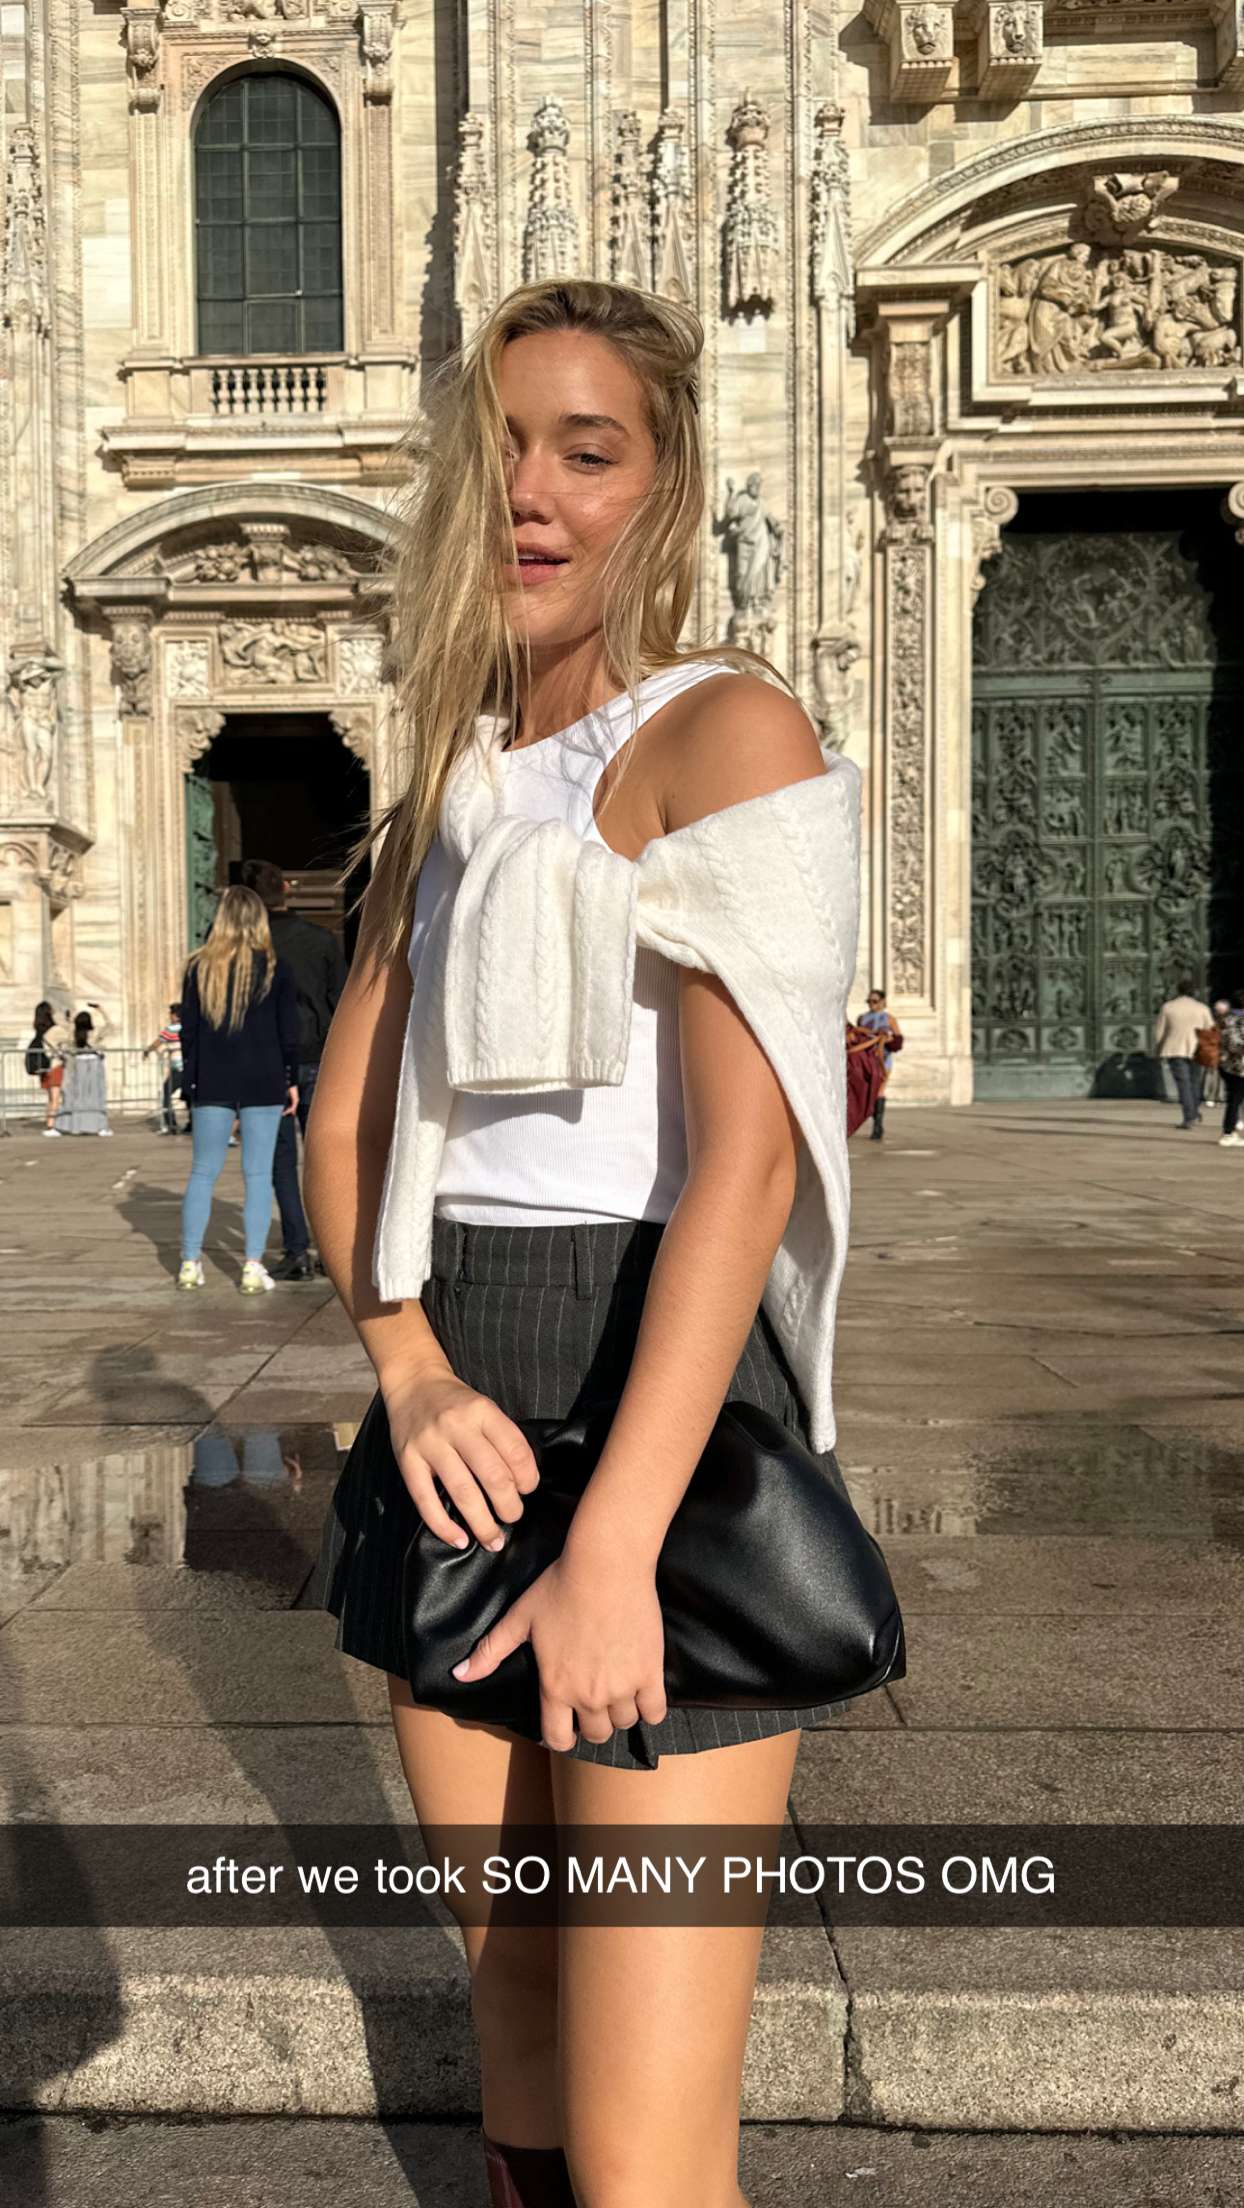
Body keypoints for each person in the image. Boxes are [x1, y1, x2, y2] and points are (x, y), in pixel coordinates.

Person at [304, 278, 863, 2208]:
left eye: (586, 449)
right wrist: (404, 1362)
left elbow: (744, 1171)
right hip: (463, 1392)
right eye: (500, 450)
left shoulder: (726, 729)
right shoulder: (450, 778)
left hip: (665, 1404)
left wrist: (615, 1541)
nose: (531, 491)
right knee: (519, 2013)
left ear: (666, 480)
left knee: (643, 2142)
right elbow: (342, 1127)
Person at [176, 885, 299, 1293]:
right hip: (264, 1079)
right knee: (258, 1174)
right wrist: (290, 1079)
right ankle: (251, 1266)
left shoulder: (199, 968)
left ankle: (189, 1263)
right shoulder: (276, 968)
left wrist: (191, 1081)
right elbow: (288, 1032)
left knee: (202, 1172)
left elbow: (189, 1033)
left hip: (213, 1080)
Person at [240, 858, 346, 1279]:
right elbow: (340, 1003)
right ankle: (333, 1251)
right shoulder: (320, 940)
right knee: (325, 1157)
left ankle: (297, 1250)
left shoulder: (246, 947)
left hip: (267, 1063)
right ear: (286, 889)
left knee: (281, 1161)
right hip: (319, 1058)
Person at [1154, 976, 1214, 1128]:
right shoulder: (1202, 1008)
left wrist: (1158, 1049)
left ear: (1178, 990)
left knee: (1183, 1084)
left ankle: (1189, 1117)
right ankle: (1194, 1112)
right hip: (1197, 1049)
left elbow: (1160, 1031)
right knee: (1195, 1082)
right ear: (1194, 992)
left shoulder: (1168, 1007)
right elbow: (1210, 1031)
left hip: (1175, 1048)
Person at [50, 1004, 113, 1136]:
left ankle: (67, 1125)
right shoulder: (94, 1033)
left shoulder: (74, 1034)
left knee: (74, 1096)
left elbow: (61, 1040)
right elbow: (109, 1026)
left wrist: (70, 1020)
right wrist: (101, 1010)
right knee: (95, 1096)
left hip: (77, 1065)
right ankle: (99, 1126)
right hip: (93, 1065)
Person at [856, 986, 902, 1141]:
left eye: (875, 1001)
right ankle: (874, 1123)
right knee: (868, 1091)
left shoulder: (889, 1019)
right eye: (869, 1001)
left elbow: (898, 1040)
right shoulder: (862, 1018)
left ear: (882, 1002)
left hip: (883, 1060)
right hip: (865, 1060)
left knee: (879, 1090)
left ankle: (877, 1127)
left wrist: (887, 1040)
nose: (871, 1004)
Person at [143, 1002, 188, 1134]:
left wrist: (147, 1050)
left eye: (171, 1014)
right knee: (188, 1095)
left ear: (175, 1015)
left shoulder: (171, 1029)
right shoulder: (188, 1028)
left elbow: (158, 1042)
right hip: (187, 1067)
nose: (169, 1016)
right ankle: (193, 1123)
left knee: (166, 1093)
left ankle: (170, 1123)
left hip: (178, 1068)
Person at [27, 1000, 63, 1133]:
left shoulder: (39, 1030)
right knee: (55, 1097)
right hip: (54, 1065)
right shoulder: (54, 1030)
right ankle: (51, 1125)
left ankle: (50, 1123)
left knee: (50, 1097)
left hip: (44, 1067)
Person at [1218, 989, 1244, 1148]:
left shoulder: (1227, 1019)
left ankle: (1231, 1130)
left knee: (1234, 1098)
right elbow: (1235, 1044)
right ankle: (1228, 1132)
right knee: (1235, 1099)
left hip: (1227, 1064)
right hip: (1239, 1065)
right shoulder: (1239, 1020)